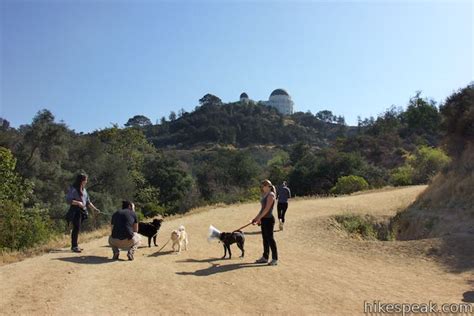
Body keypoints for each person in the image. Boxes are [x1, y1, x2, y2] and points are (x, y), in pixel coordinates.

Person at [66, 173, 100, 253]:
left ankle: (75, 245)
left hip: (82, 211)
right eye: (86, 180)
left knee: (77, 228)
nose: (86, 181)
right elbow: (68, 200)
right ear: (81, 181)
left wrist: (95, 209)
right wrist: (78, 203)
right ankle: (74, 246)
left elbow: (88, 202)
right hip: (75, 210)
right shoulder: (73, 189)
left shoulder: (84, 190)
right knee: (76, 228)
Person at [252, 179, 278, 266]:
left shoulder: (271, 195)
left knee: (270, 239)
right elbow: (262, 209)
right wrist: (256, 218)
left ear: (267, 186)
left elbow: (267, 209)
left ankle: (275, 259)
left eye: (263, 186)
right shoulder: (264, 194)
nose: (261, 188)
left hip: (269, 220)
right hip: (264, 219)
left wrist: (259, 218)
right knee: (265, 239)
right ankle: (265, 257)